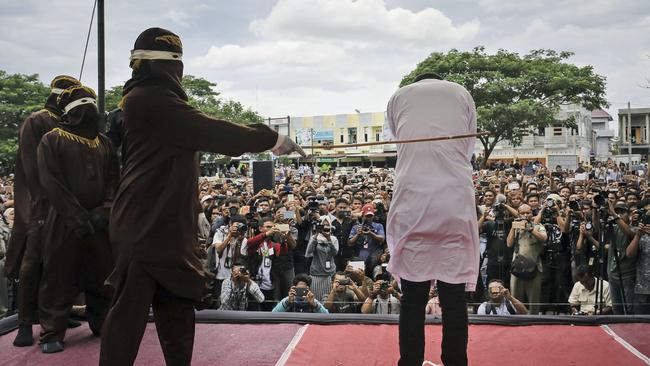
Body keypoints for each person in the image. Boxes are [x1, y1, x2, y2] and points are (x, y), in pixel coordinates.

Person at [99, 28, 304, 366]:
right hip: (144, 223)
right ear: (169, 68)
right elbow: (214, 131)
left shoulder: (147, 99)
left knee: (177, 308)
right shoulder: (152, 100)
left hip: (166, 224)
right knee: (128, 313)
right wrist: (272, 140)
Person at [385, 72, 479, 366]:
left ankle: (409, 362)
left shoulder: (399, 96)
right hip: (454, 201)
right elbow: (467, 149)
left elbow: (400, 141)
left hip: (413, 202)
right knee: (453, 300)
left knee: (413, 299)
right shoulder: (462, 92)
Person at [36, 85, 118, 353]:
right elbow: (51, 183)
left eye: (91, 103)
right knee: (58, 275)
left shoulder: (105, 142)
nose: (89, 109)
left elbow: (113, 182)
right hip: (63, 222)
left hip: (99, 223)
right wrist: (77, 217)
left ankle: (103, 321)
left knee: (102, 273)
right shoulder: (51, 139)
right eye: (83, 103)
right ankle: (51, 332)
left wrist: (103, 211)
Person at [5, 75, 82, 347]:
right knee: (31, 266)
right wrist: (46, 203)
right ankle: (25, 323)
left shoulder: (69, 124)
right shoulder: (36, 121)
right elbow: (33, 168)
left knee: (61, 265)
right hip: (40, 205)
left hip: (65, 206)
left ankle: (58, 314)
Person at [507, 204, 547, 315]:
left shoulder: (538, 225)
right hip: (517, 268)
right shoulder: (516, 227)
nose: (525, 215)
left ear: (532, 213)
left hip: (534, 267)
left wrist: (531, 229)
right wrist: (513, 227)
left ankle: (534, 321)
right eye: (523, 213)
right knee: (515, 297)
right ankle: (517, 320)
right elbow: (509, 244)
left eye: (528, 213)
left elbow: (544, 238)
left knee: (534, 299)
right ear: (518, 214)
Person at [305, 217, 339, 302]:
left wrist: (329, 240)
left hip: (329, 274)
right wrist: (316, 235)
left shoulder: (333, 239)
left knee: (328, 299)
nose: (325, 227)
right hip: (316, 274)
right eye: (323, 225)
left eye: (327, 225)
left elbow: (335, 253)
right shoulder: (314, 238)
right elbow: (308, 253)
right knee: (315, 299)